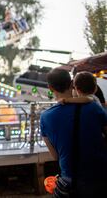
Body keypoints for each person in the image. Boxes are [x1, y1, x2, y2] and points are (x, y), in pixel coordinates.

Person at [40, 68, 107, 197]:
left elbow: (56, 156)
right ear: (72, 84)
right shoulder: (93, 107)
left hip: (70, 182)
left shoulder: (46, 117)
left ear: (50, 88)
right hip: (99, 178)